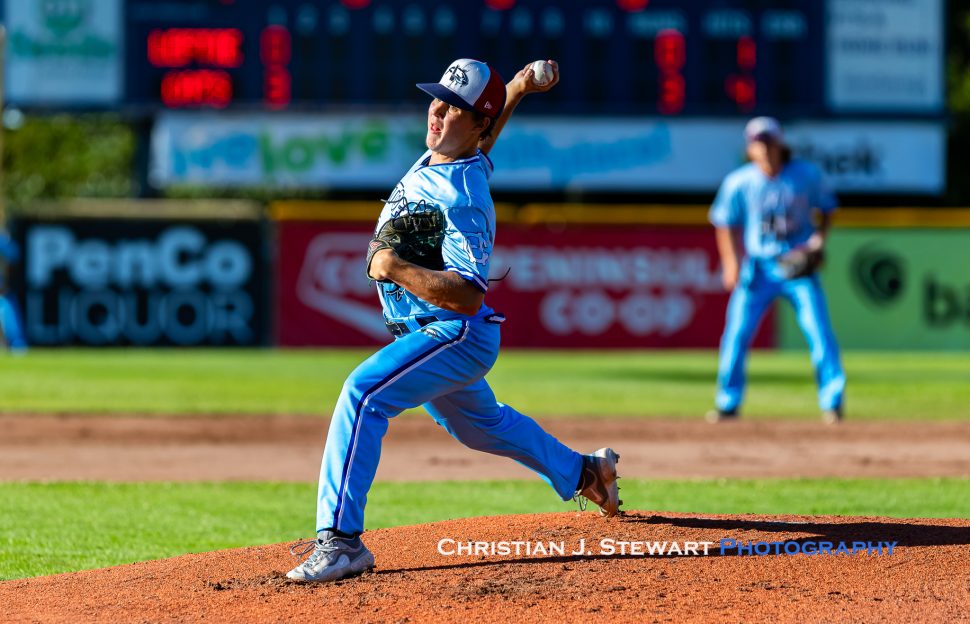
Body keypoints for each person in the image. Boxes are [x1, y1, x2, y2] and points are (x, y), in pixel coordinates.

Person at [286, 58, 621, 583]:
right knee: (482, 426)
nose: (438, 112)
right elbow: (483, 133)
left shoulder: (465, 197)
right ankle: (585, 472)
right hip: (427, 330)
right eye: (437, 100)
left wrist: (395, 267)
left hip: (454, 332)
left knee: (364, 394)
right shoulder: (448, 153)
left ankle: (341, 541)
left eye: (454, 108)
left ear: (477, 123)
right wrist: (518, 87)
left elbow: (467, 294)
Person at [707, 117, 845, 425]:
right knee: (736, 335)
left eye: (769, 141)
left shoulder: (805, 175)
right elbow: (724, 222)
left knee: (819, 332)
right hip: (758, 268)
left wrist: (818, 241)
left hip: (798, 266)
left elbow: (827, 208)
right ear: (749, 148)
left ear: (781, 143)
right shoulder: (739, 181)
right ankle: (727, 403)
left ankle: (832, 402)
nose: (765, 148)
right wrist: (731, 262)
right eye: (759, 143)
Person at [0, 229, 27, 353]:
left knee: (8, 313)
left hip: (3, 290)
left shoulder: (3, 241)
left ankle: (16, 345)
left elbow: (14, 255)